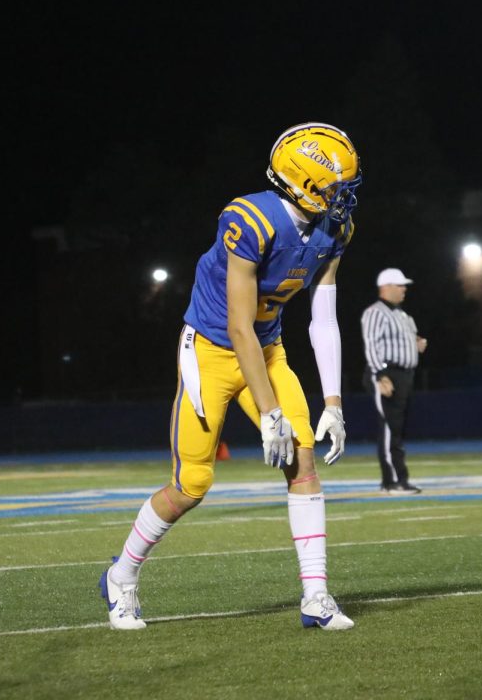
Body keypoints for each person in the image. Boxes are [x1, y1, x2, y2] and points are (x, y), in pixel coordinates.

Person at [98, 122, 362, 631]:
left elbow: (323, 316)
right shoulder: (251, 220)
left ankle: (315, 597)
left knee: (303, 461)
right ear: (303, 182)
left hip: (269, 349)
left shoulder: (336, 231)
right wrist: (270, 414)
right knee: (191, 484)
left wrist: (333, 402)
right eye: (334, 188)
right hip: (214, 351)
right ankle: (122, 575)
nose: (342, 199)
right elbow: (238, 326)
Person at [361, 268, 427, 494]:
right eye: (399, 285)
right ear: (386, 287)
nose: (404, 289)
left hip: (405, 375)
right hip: (387, 374)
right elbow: (371, 344)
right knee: (390, 428)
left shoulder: (403, 315)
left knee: (396, 429)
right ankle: (392, 481)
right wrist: (380, 374)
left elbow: (409, 338)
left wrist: (417, 343)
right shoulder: (375, 312)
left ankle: (397, 479)